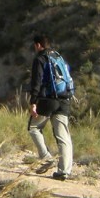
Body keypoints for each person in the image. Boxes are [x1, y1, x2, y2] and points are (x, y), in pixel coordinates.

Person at [27, 34, 74, 181]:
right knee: (63, 136)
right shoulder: (58, 57)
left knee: (33, 128)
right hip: (64, 99)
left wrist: (33, 102)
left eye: (35, 45)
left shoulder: (40, 59)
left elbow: (37, 82)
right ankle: (64, 171)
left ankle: (46, 158)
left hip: (48, 100)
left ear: (38, 45)